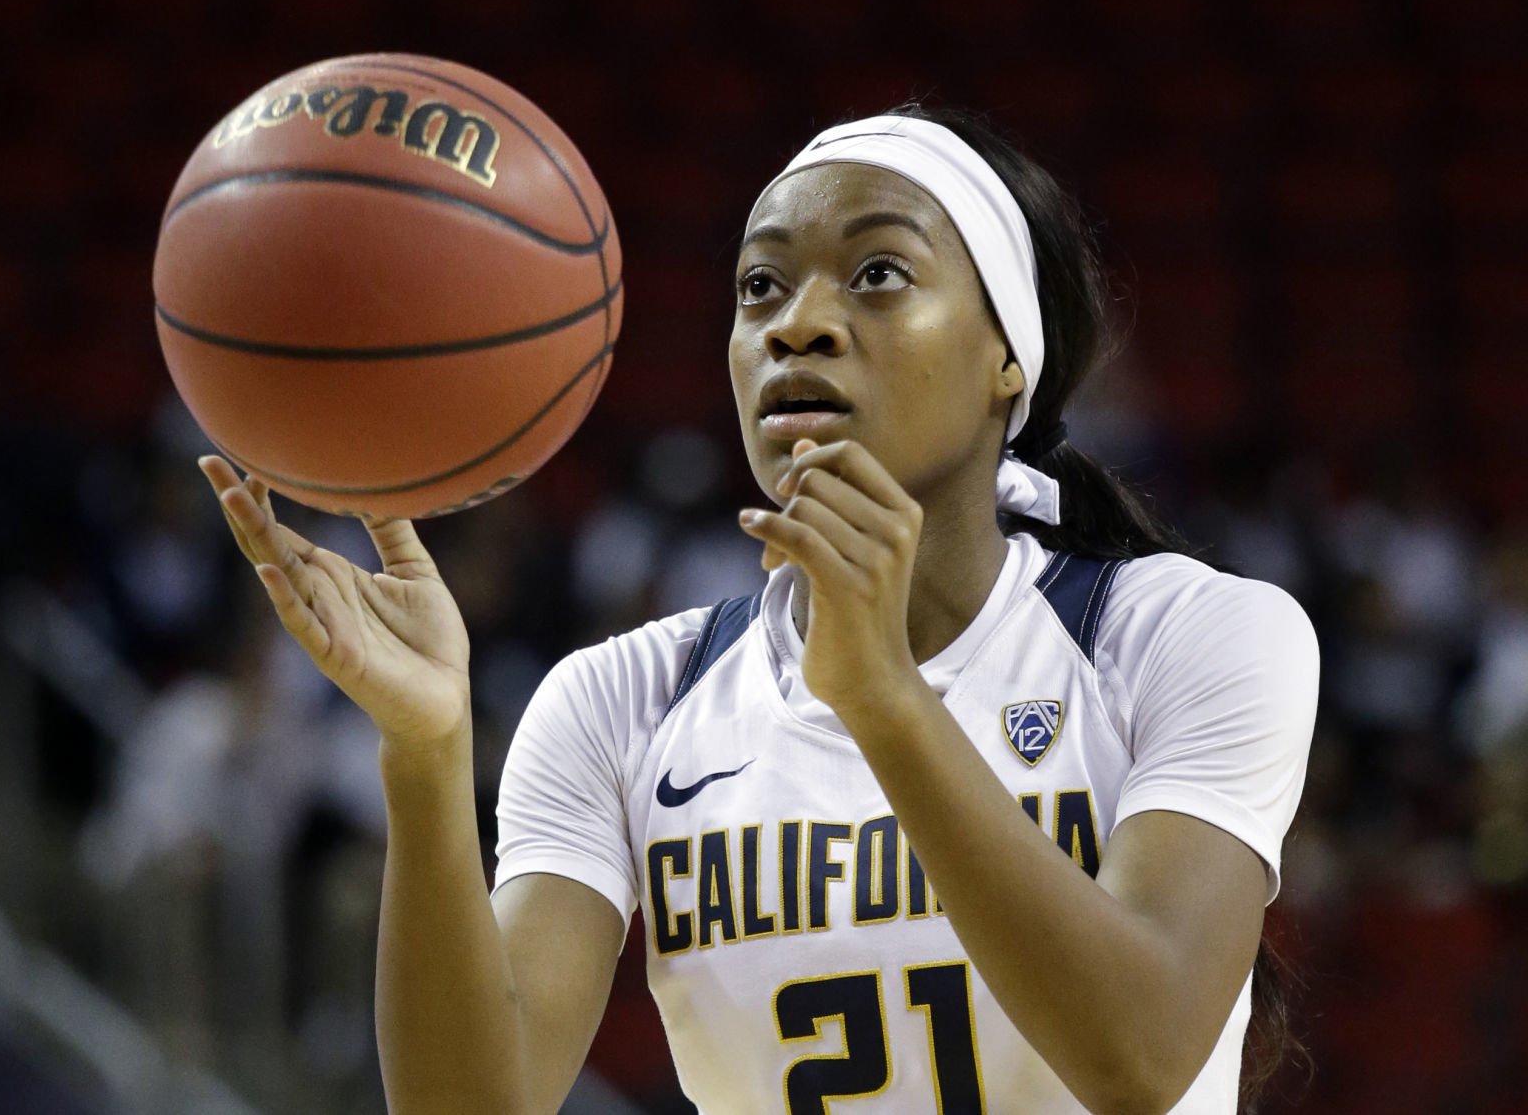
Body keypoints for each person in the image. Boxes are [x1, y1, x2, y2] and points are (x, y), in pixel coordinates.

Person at [199, 105, 1319, 1114]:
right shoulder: (621, 699)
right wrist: (425, 753)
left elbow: (1141, 1055)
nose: (798, 323)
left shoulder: (1188, 634)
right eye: (759, 288)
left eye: (878, 272)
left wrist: (883, 696)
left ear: (1005, 362)